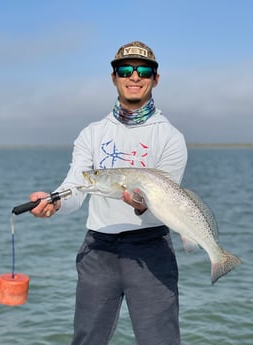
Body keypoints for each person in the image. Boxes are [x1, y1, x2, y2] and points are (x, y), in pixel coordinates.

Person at [30, 41, 188, 345]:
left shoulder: (170, 137)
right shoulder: (92, 133)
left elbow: (166, 204)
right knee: (87, 339)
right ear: (113, 76)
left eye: (143, 70)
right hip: (98, 249)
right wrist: (54, 201)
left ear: (156, 78)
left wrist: (141, 205)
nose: (134, 76)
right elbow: (75, 187)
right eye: (125, 69)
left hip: (150, 248)